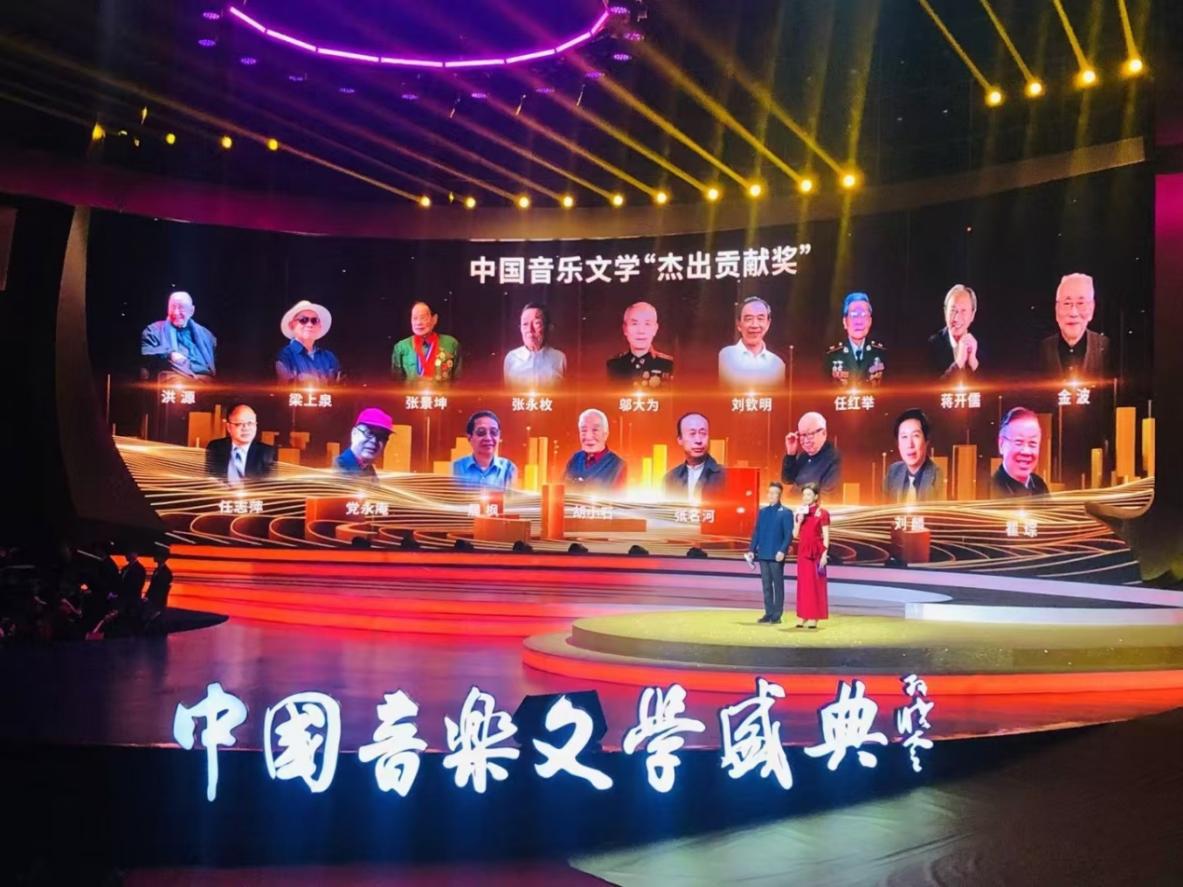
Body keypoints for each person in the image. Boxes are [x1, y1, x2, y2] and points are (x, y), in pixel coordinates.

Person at [1040, 273, 1110, 378]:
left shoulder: (1107, 347)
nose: (1073, 313)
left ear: (1091, 308)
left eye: (1080, 303)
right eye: (1067, 303)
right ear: (1057, 309)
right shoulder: (1042, 349)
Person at [140, 291, 217, 382]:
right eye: (172, 307)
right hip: (175, 379)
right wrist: (169, 354)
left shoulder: (206, 335)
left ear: (191, 311)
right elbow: (146, 352)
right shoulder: (153, 330)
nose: (176, 312)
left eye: (181, 307)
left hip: (206, 381)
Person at [745, 482, 793, 624]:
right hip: (763, 553)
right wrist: (752, 550)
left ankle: (777, 615)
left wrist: (782, 550)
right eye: (770, 492)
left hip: (777, 555)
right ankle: (768, 612)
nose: (771, 495)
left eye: (774, 493)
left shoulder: (786, 512)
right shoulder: (763, 512)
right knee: (766, 585)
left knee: (777, 585)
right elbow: (757, 532)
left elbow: (788, 535)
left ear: (779, 495)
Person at [717, 296, 786, 389]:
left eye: (760, 319)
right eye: (748, 319)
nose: (754, 325)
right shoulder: (724, 356)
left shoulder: (777, 364)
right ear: (738, 324)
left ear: (768, 324)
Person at [823, 292, 886, 386]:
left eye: (863, 315)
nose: (859, 321)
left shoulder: (881, 353)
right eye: (854, 315)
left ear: (870, 321)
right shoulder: (832, 356)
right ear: (845, 322)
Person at [883, 408, 945, 503]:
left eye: (916, 435)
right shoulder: (893, 472)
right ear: (898, 444)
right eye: (904, 437)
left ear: (926, 441)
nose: (910, 444)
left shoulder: (937, 475)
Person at [391, 301, 461, 384]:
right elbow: (396, 382)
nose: (418, 322)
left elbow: (459, 379)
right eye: (414, 318)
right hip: (411, 392)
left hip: (443, 392)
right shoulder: (401, 346)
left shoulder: (451, 343)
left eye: (423, 318)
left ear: (434, 319)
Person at [607, 301, 674, 387]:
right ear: (625, 329)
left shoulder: (669, 365)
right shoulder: (612, 365)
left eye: (647, 324)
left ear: (655, 329)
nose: (641, 331)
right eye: (634, 324)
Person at [205, 404, 276, 485]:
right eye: (239, 424)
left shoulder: (267, 452)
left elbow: (269, 486)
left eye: (250, 423)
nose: (246, 428)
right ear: (228, 427)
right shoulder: (215, 447)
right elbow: (210, 478)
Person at [791, 482, 830, 629]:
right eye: (804, 495)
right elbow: (795, 534)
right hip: (803, 551)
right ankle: (803, 615)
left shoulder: (822, 513)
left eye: (809, 494)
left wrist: (824, 555)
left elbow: (826, 536)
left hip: (817, 551)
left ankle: (814, 616)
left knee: (815, 584)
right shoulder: (799, 512)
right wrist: (799, 521)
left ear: (816, 496)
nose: (805, 497)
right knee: (804, 584)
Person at [275, 299, 342, 384]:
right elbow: (283, 388)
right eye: (303, 320)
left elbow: (342, 386)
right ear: (291, 325)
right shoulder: (284, 356)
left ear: (320, 326)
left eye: (314, 320)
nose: (310, 324)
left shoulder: (329, 357)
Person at [662, 412, 725, 501]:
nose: (698, 440)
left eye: (703, 433)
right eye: (692, 434)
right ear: (680, 439)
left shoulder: (725, 475)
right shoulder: (670, 478)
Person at [503, 303, 567, 389]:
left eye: (537, 323)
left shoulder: (560, 358)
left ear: (547, 327)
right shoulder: (511, 358)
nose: (530, 329)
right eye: (525, 324)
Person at [563, 408, 627, 492]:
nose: (588, 437)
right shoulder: (575, 459)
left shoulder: (618, 465)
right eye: (584, 430)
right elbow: (563, 490)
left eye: (595, 430)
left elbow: (619, 497)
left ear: (605, 434)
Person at [992, 406, 1050, 497]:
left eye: (1032, 443)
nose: (1026, 452)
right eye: (1018, 442)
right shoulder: (991, 488)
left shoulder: (1039, 485)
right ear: (1001, 444)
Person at [453, 411, 518, 490]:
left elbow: (511, 497)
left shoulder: (508, 468)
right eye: (481, 432)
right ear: (469, 437)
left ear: (499, 436)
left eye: (493, 432)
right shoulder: (456, 467)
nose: (488, 438)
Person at [928, 284, 981, 380]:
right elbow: (930, 387)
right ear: (945, 312)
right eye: (953, 310)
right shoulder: (932, 345)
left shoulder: (979, 345)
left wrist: (973, 364)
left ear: (972, 315)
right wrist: (958, 363)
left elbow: (994, 386)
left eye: (963, 311)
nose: (956, 318)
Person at [781, 411, 841, 493]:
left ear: (823, 433)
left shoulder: (834, 459)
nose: (806, 441)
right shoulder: (804, 456)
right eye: (802, 435)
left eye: (810, 434)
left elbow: (828, 494)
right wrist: (791, 454)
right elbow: (787, 480)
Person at [336, 407, 394, 477]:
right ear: (354, 433)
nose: (374, 441)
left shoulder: (368, 469)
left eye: (381, 436)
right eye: (369, 433)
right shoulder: (339, 469)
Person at [117, 546, 146, 613]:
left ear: (134, 555)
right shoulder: (125, 568)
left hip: (132, 600)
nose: (126, 555)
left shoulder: (140, 569)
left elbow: (137, 586)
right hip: (123, 598)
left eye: (128, 553)